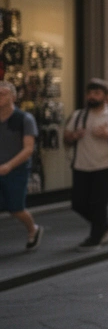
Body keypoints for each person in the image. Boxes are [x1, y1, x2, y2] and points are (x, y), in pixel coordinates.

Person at [63, 79, 108, 250]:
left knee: (98, 204)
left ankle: (95, 238)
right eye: (90, 93)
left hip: (104, 165)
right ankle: (104, 226)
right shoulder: (78, 115)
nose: (92, 97)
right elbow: (66, 136)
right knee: (78, 204)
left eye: (97, 93)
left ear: (104, 96)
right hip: (81, 165)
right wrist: (74, 136)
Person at [0, 81, 41, 251]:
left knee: (16, 208)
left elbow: (28, 149)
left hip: (16, 169)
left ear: (13, 97)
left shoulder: (24, 119)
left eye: (3, 94)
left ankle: (33, 229)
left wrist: (9, 166)